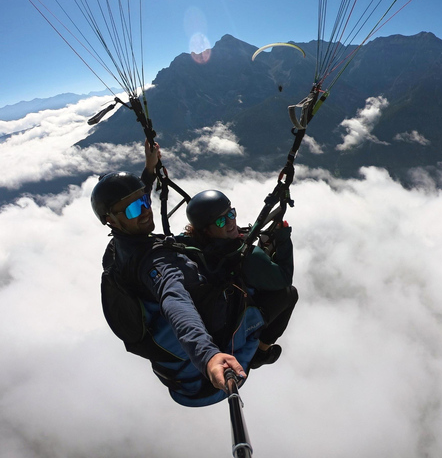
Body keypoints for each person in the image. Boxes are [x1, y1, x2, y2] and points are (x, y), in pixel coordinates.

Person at [91, 141, 264, 407]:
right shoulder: (156, 262)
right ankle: (261, 351)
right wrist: (208, 356)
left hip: (176, 372)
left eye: (145, 201)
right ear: (110, 221)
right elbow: (175, 301)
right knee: (276, 297)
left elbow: (133, 201)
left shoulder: (117, 248)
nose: (146, 210)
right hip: (203, 379)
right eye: (135, 209)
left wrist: (149, 171)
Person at [182, 190, 298, 369]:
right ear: (206, 230)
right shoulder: (245, 256)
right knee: (288, 294)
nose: (230, 222)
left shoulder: (191, 245)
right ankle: (261, 352)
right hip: (232, 322)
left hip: (212, 314)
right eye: (221, 221)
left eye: (231, 214)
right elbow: (284, 278)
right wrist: (283, 240)